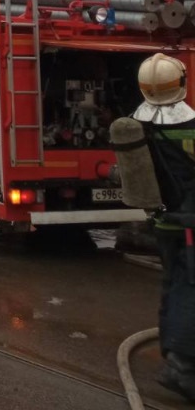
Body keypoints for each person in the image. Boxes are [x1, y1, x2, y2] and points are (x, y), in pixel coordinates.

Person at [133, 53, 195, 402]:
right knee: (191, 288)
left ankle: (173, 353)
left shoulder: (137, 126)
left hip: (163, 222)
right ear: (181, 83)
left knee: (174, 284)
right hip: (190, 222)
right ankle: (183, 367)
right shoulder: (192, 125)